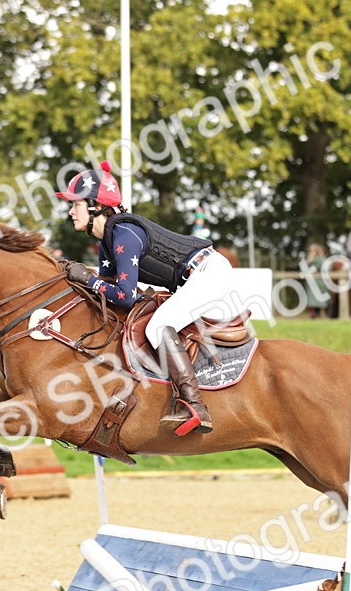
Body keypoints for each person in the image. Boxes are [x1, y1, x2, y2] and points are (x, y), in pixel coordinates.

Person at [57, 160, 232, 436]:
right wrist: (80, 277)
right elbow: (111, 290)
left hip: (209, 273)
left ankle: (195, 405)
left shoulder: (124, 233)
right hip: (192, 279)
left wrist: (87, 278)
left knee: (158, 326)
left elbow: (125, 296)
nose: (70, 211)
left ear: (95, 206)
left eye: (75, 204)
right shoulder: (106, 242)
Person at [301, 243, 330, 319]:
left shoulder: (317, 260)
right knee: (315, 299)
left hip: (318, 282)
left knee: (316, 299)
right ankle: (317, 314)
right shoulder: (319, 259)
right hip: (315, 282)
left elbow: (314, 268)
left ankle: (317, 314)